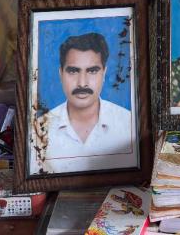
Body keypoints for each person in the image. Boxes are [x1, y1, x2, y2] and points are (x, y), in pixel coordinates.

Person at [35, 32, 133, 174]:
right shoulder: (38, 131)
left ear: (104, 73)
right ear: (60, 73)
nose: (82, 83)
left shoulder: (129, 125)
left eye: (92, 71)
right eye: (73, 71)